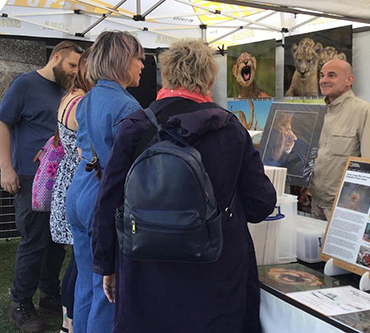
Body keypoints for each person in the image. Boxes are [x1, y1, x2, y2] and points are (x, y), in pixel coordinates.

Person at [91, 39, 276, 332]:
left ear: (165, 76)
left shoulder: (135, 127)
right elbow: (260, 204)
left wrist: (105, 265)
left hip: (145, 268)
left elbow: (109, 201)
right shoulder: (231, 129)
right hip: (217, 274)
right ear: (211, 79)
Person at [0, 40, 82, 332]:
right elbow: (2, 125)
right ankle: (20, 304)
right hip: (31, 177)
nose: (75, 71)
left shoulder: (67, 90)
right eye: (71, 65)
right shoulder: (24, 84)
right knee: (34, 242)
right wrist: (6, 168)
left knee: (57, 241)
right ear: (56, 57)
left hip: (60, 178)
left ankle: (48, 295)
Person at [66, 31, 144, 333]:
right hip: (102, 199)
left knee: (86, 282)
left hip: (79, 192)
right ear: (123, 60)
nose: (142, 65)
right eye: (138, 58)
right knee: (106, 292)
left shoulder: (87, 98)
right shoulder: (128, 108)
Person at [310, 59, 370, 220]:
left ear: (349, 80)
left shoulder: (365, 112)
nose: (324, 80)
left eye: (332, 75)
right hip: (316, 205)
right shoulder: (319, 113)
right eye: (322, 75)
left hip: (344, 210)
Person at [49, 48, 93, 333]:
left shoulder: (67, 98)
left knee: (76, 260)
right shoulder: (82, 103)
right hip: (77, 181)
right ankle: (72, 321)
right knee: (80, 263)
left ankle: (69, 320)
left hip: (67, 180)